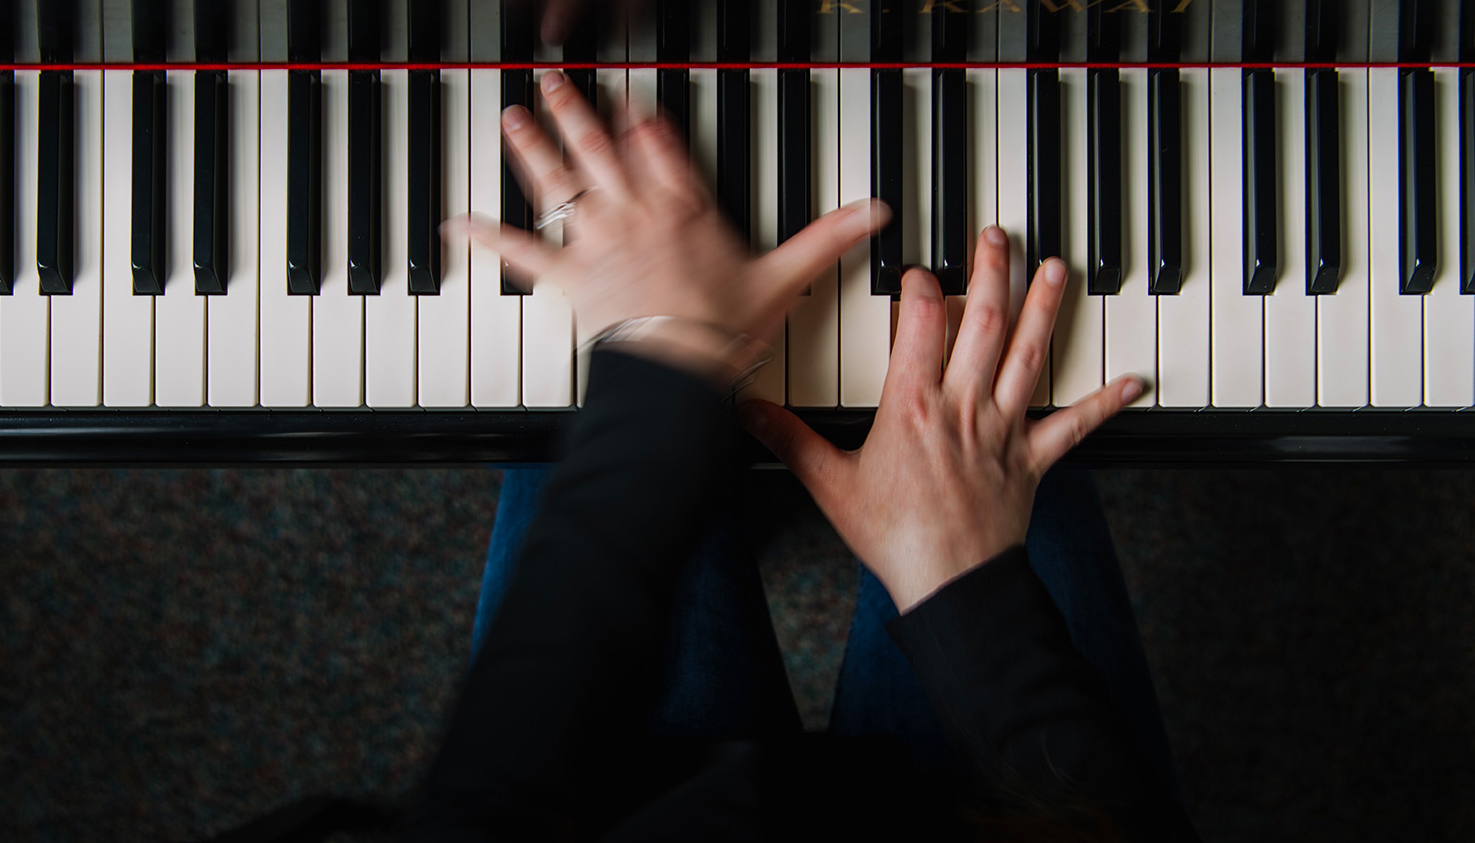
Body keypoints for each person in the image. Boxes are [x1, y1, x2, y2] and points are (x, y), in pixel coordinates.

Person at [401, 70, 1200, 841]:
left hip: (622, 802)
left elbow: (474, 819)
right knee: (1007, 414)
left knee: (556, 419)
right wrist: (965, 583)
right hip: (998, 803)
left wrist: (657, 363)